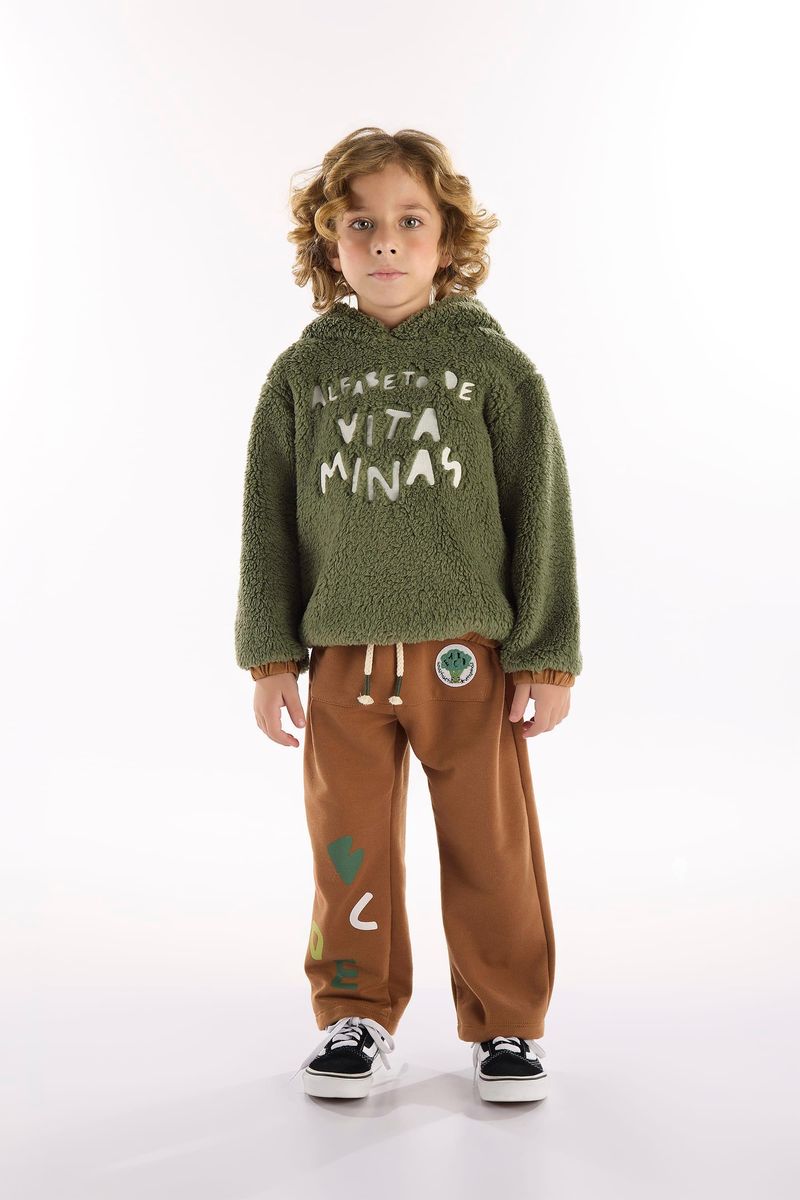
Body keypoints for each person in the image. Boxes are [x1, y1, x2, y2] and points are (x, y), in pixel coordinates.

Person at [234, 126, 583, 1103]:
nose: (384, 240)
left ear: (447, 239)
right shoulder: (302, 374)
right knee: (346, 846)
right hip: (341, 660)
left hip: (466, 659)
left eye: (410, 221)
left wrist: (546, 655)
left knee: (488, 844)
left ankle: (506, 1026)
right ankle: (354, 1013)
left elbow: (539, 511)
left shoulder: (491, 365)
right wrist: (269, 656)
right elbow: (266, 519)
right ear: (328, 243)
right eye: (359, 223)